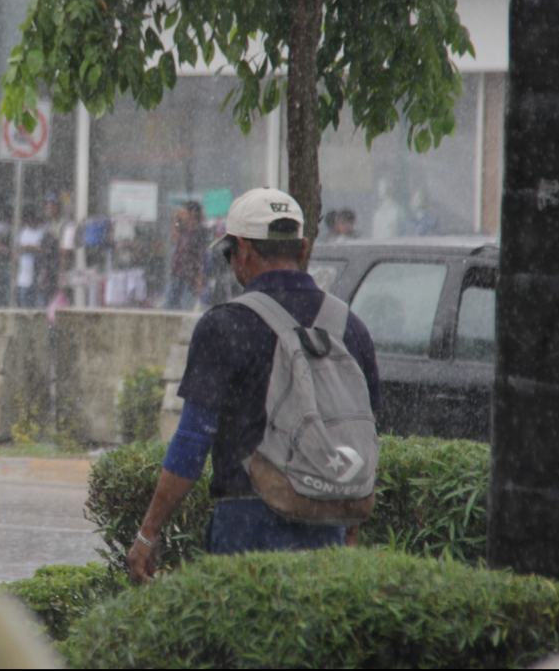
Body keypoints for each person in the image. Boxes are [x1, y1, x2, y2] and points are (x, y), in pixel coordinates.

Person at [127, 188, 381, 582]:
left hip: (247, 523)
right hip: (325, 523)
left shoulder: (224, 325)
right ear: (304, 247)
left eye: (229, 253)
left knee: (246, 639)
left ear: (243, 249)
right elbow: (362, 434)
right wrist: (349, 526)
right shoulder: (351, 327)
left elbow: (193, 441)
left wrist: (149, 531)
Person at [165, 201, 206, 310]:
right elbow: (173, 239)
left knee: (185, 308)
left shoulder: (200, 233)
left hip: (190, 279)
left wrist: (199, 281)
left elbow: (201, 259)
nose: (181, 215)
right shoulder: (183, 229)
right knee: (168, 308)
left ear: (192, 215)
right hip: (176, 276)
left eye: (183, 213)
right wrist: (176, 221)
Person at [15, 206, 46, 308]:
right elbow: (18, 249)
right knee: (24, 307)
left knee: (39, 306)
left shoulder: (43, 231)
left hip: (38, 275)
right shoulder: (23, 232)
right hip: (24, 276)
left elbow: (45, 249)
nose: (29, 224)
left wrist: (32, 248)